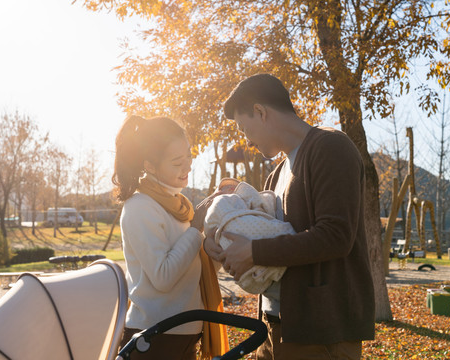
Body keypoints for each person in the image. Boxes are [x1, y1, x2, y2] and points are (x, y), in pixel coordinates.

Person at [204, 74, 375, 359]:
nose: (248, 140)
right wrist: (221, 245)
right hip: (275, 326)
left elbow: (336, 236)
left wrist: (254, 252)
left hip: (321, 332)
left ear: (261, 111)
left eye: (246, 128)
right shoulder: (276, 174)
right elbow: (267, 235)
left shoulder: (330, 147)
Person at [113, 115, 228, 360]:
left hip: (183, 333)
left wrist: (215, 245)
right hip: (155, 337)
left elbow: (189, 269)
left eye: (188, 156)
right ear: (150, 166)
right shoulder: (140, 208)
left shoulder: (179, 205)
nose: (187, 167)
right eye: (177, 162)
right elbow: (163, 277)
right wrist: (197, 229)